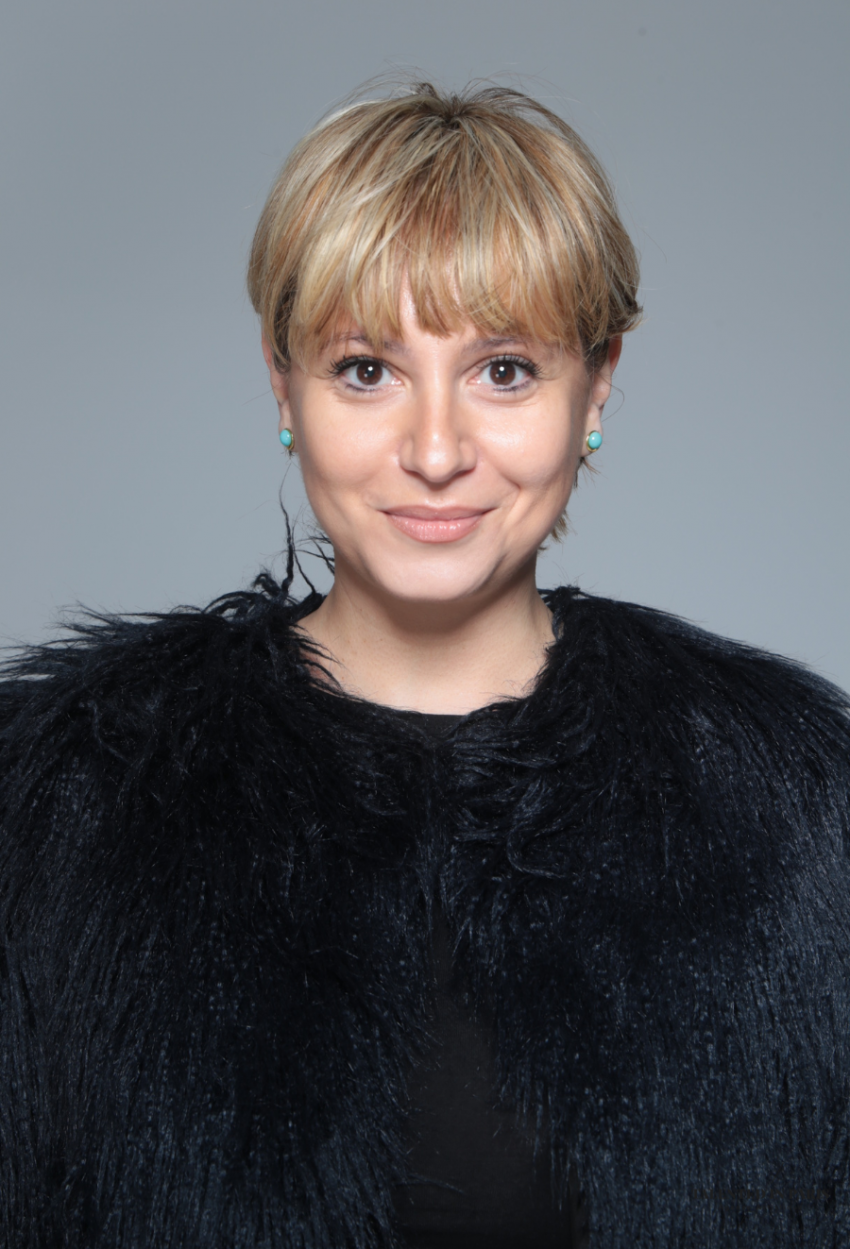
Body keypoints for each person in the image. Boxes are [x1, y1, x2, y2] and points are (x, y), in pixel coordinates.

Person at [0, 81, 848, 1249]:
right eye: (366, 369)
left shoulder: (791, 805)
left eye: (504, 369)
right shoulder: (64, 802)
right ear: (282, 382)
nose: (436, 450)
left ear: (597, 383)